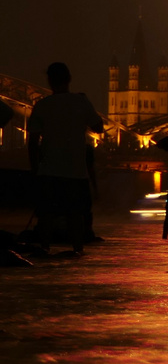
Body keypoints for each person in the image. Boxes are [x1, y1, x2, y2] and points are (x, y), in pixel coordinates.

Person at [26, 62, 104, 256]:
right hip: (76, 171)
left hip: (49, 170)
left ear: (50, 81)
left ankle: (44, 248)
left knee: (46, 215)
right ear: (69, 79)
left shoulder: (42, 105)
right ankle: (77, 250)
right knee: (76, 215)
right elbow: (99, 128)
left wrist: (35, 168)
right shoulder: (81, 102)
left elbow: (33, 142)